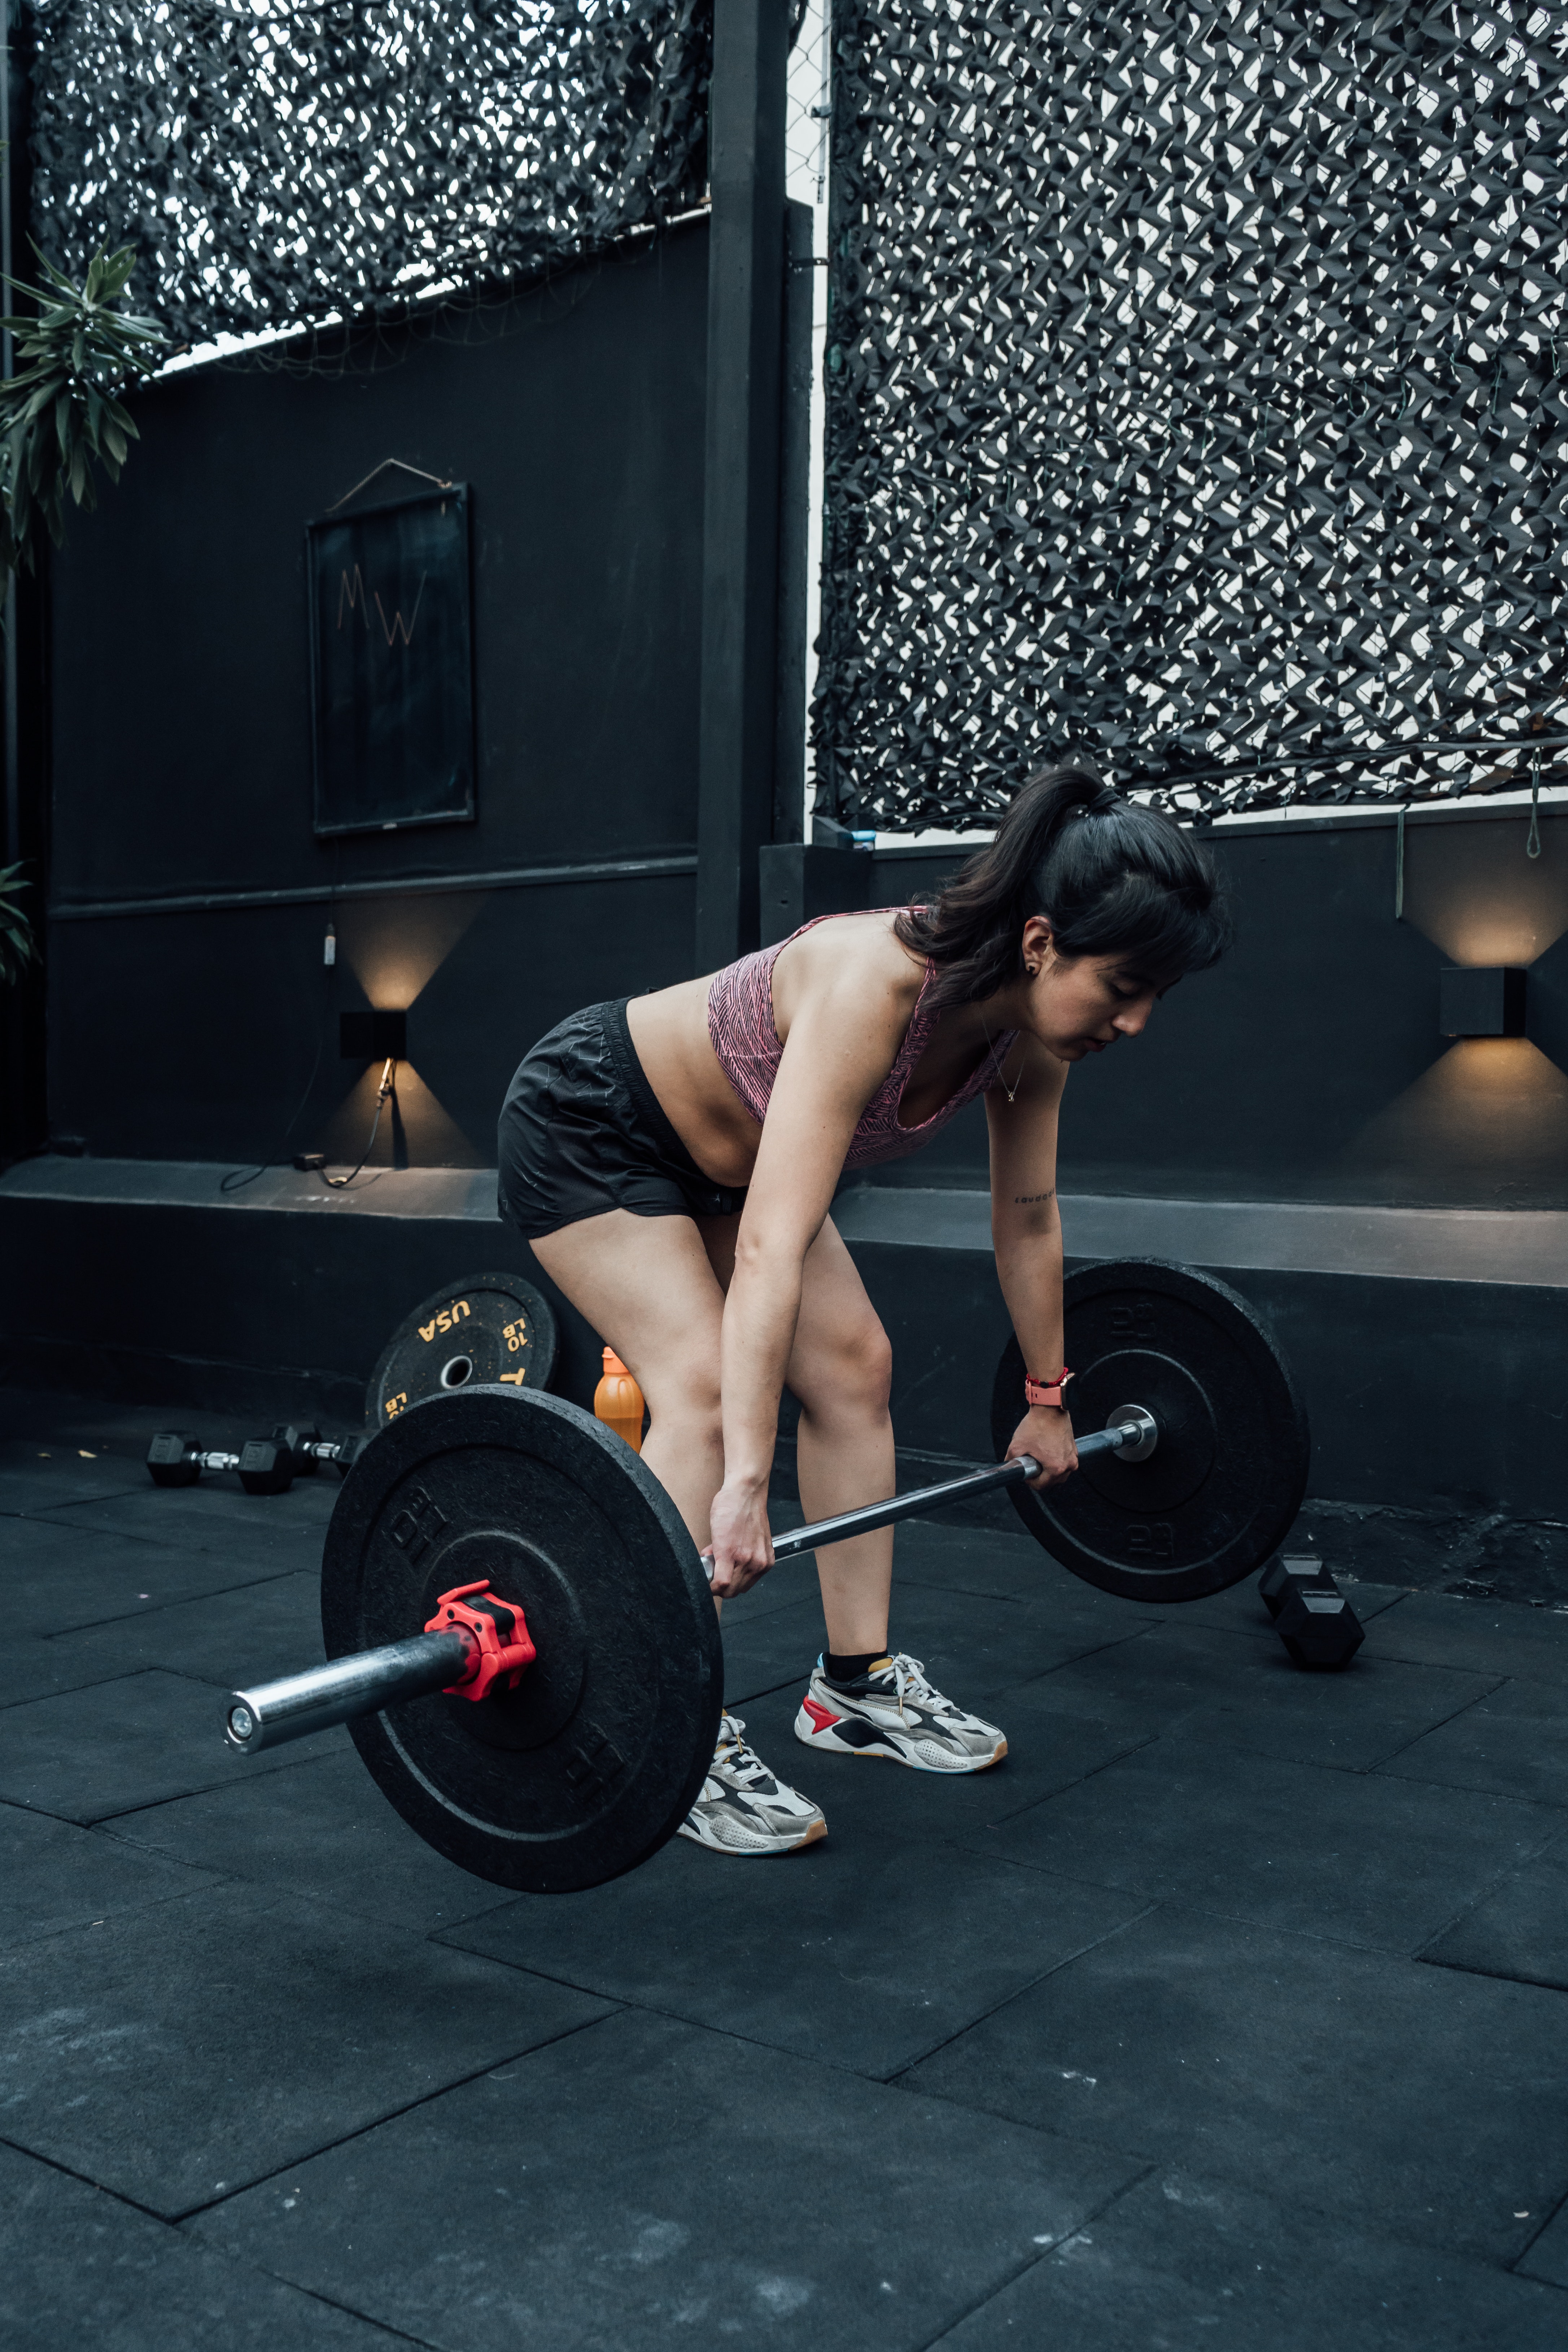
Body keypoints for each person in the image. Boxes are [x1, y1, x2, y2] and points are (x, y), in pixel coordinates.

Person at [497, 767, 1228, 1855]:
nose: (1133, 1020)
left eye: (1151, 997)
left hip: (728, 1170)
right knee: (696, 1392)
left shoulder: (1032, 1040)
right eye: (1121, 985)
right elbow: (770, 1245)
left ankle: (853, 1689)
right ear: (1038, 944)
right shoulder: (871, 983)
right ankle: (656, 1717)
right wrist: (746, 1485)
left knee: (855, 1368)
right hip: (593, 1125)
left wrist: (1047, 1399)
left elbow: (1026, 1216)